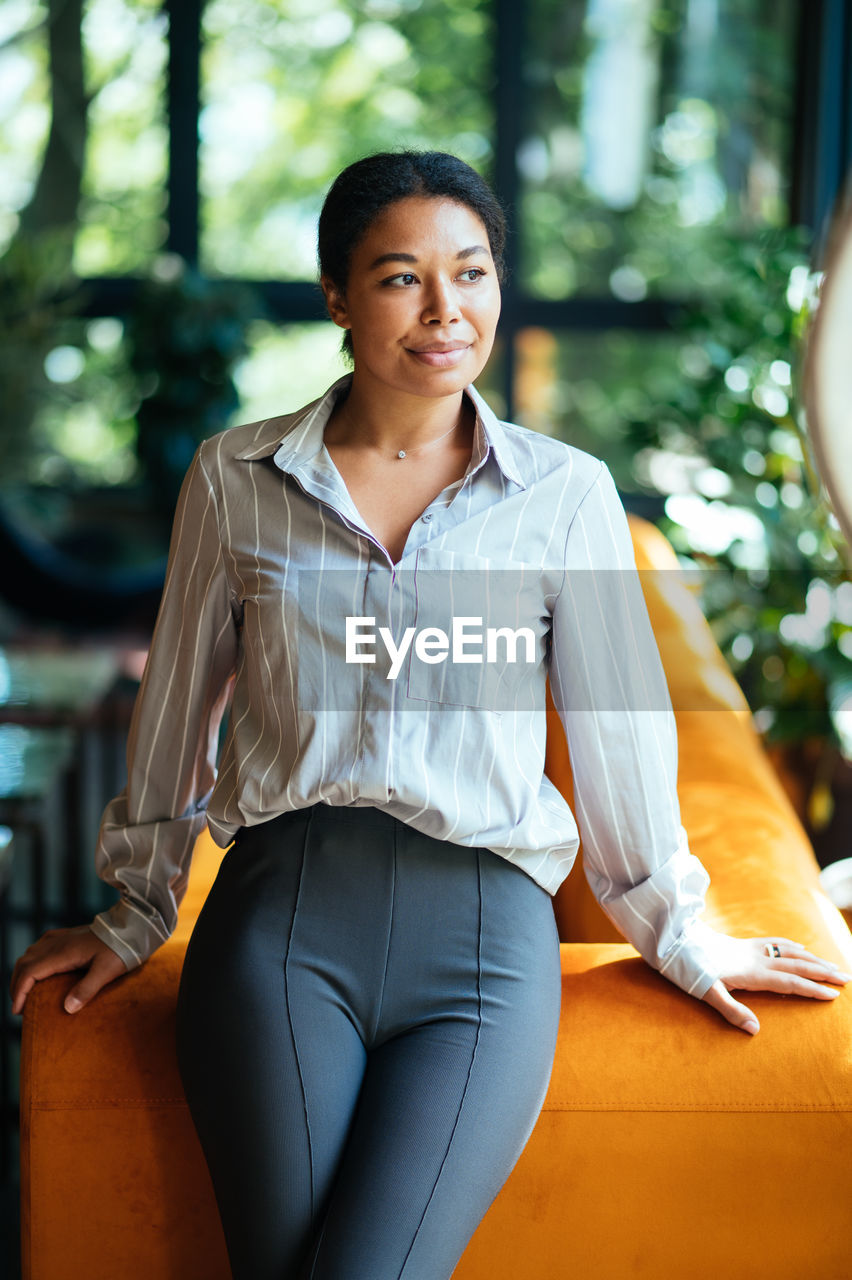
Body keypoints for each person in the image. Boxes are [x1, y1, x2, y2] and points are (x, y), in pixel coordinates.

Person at [10, 150, 850, 1280]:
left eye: (473, 271)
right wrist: (131, 911)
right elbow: (175, 719)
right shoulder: (234, 478)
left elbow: (620, 733)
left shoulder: (567, 496)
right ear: (339, 297)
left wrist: (682, 929)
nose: (445, 310)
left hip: (486, 949)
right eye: (403, 276)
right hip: (280, 931)